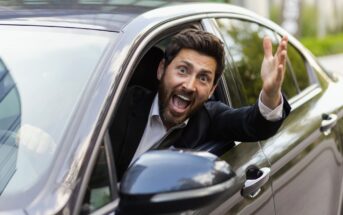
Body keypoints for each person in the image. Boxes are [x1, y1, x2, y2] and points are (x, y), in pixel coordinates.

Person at [110, 29, 291, 179]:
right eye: (182, 70)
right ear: (162, 70)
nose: (189, 86)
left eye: (203, 78)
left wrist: (270, 94)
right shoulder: (119, 104)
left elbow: (255, 124)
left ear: (212, 90)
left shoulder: (209, 118)